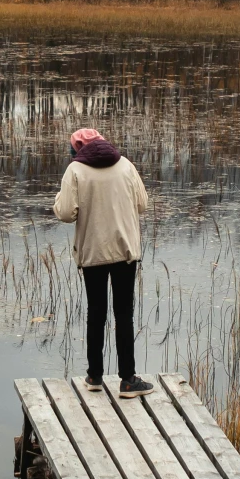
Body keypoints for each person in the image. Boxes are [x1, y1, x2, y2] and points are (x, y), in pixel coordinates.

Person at [52, 127, 152, 397]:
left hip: (93, 252)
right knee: (124, 315)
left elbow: (64, 213)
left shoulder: (75, 171)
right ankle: (128, 380)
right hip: (125, 251)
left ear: (78, 149)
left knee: (96, 313)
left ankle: (95, 376)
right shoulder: (126, 166)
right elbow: (142, 204)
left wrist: (61, 198)